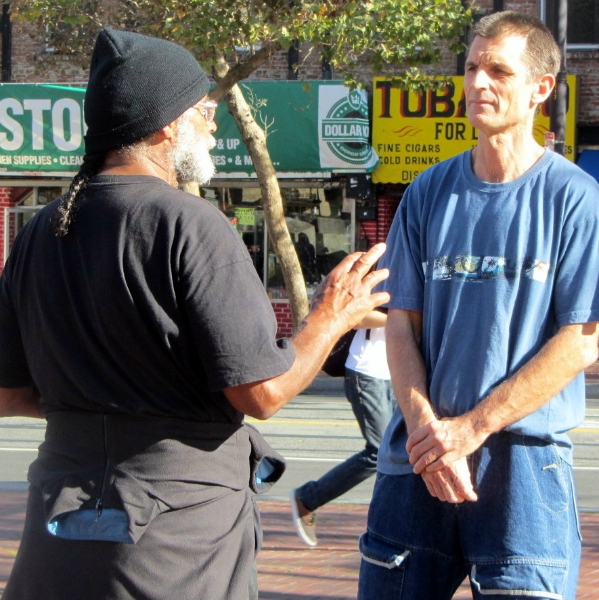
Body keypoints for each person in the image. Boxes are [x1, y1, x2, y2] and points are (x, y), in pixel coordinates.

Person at [0, 28, 390, 600]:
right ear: (162, 125)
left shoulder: (41, 228)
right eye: (201, 107)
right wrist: (333, 314)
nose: (213, 120)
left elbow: (8, 394)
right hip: (176, 538)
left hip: (58, 527)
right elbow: (262, 393)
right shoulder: (190, 223)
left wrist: (101, 409)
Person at [358, 11, 599, 600]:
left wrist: (471, 430)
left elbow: (583, 338)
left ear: (541, 89)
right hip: (417, 461)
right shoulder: (427, 193)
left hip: (523, 467)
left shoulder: (576, 199)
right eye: (471, 68)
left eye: (498, 70)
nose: (478, 84)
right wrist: (428, 435)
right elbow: (401, 326)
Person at [290, 309, 395, 546]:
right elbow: (357, 316)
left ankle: (395, 526)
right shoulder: (375, 272)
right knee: (379, 452)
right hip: (368, 371)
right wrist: (402, 316)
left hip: (396, 371)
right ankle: (307, 498)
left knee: (402, 452)